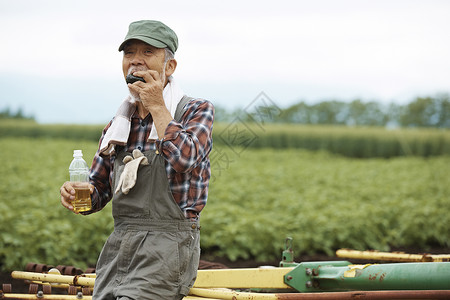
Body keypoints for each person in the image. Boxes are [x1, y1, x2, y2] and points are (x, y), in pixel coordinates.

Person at [60, 20, 214, 299]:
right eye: (129, 53)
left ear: (169, 67)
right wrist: (79, 195)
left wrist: (156, 105)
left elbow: (185, 158)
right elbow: (99, 189)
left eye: (147, 53)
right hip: (119, 246)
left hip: (169, 245)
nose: (135, 62)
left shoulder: (195, 110)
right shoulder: (118, 125)